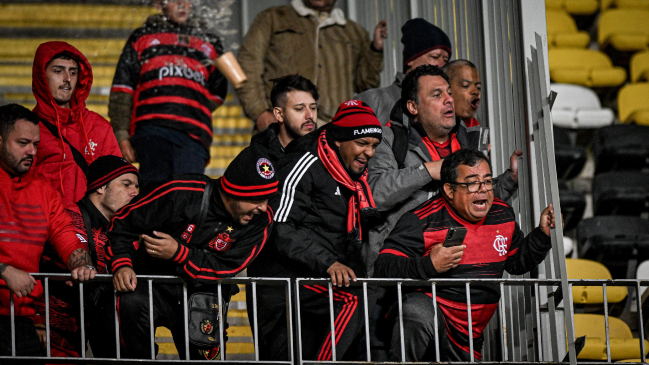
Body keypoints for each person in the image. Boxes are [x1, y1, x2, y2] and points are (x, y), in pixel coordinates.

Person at [374, 148, 555, 361]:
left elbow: (516, 263)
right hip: (429, 321)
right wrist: (428, 265)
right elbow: (383, 267)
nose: (483, 190)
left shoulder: (502, 214)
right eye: (471, 183)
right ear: (449, 190)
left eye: (487, 181)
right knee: (417, 313)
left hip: (469, 337)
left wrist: (542, 235)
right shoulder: (421, 220)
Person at [106, 145, 277, 360]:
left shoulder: (262, 220)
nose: (263, 207)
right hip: (151, 286)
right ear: (234, 192)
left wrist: (179, 253)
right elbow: (121, 223)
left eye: (267, 199)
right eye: (256, 199)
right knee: (130, 311)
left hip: (205, 296)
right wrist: (122, 264)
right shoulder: (182, 192)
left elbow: (226, 267)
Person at [256, 100, 382, 361]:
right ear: (339, 140)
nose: (369, 153)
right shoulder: (305, 161)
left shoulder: (351, 173)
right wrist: (329, 263)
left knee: (357, 300)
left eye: (374, 146)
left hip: (316, 277)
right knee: (353, 299)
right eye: (362, 143)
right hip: (285, 280)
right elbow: (278, 225)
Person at [366, 64, 521, 275]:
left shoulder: (472, 142)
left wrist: (509, 179)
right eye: (437, 95)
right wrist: (428, 170)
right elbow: (374, 195)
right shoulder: (389, 139)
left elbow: (479, 201)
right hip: (399, 275)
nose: (449, 99)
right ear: (413, 107)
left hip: (457, 274)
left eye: (449, 92)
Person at [0, 104, 96, 358]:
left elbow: (65, 233)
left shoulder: (43, 191)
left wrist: (81, 262)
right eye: (23, 143)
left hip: (20, 319)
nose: (33, 151)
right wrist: (5, 271)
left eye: (35, 143)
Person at [108, 0, 228, 189]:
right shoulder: (141, 37)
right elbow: (122, 90)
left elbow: (219, 91)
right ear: (158, 4)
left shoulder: (210, 41)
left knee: (187, 199)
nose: (181, 4)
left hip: (193, 137)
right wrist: (121, 135)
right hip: (152, 131)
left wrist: (194, 106)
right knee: (154, 198)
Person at [34, 156, 140, 359]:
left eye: (136, 186)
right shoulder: (64, 217)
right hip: (49, 331)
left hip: (95, 330)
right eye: (126, 184)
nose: (135, 192)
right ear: (101, 187)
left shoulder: (129, 235)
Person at [237, 0, 387, 130]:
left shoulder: (354, 33)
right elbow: (248, 65)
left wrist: (375, 49)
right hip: (283, 126)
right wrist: (260, 112)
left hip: (332, 130)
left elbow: (366, 85)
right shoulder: (273, 18)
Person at [32, 41, 121, 208]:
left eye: (73, 72)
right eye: (58, 71)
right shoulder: (27, 128)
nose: (67, 79)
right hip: (45, 227)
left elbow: (118, 184)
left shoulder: (99, 127)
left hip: (91, 230)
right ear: (41, 75)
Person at [356, 18, 452, 125]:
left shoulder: (448, 105)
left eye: (446, 60)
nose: (442, 65)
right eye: (435, 56)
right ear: (410, 60)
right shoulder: (374, 100)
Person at [248, 74, 319, 162]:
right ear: (279, 114)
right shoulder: (253, 159)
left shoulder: (328, 155)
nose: (310, 115)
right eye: (299, 109)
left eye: (313, 108)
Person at [443, 59, 482, 128]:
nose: (476, 91)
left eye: (478, 87)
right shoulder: (432, 129)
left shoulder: (474, 127)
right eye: (465, 86)